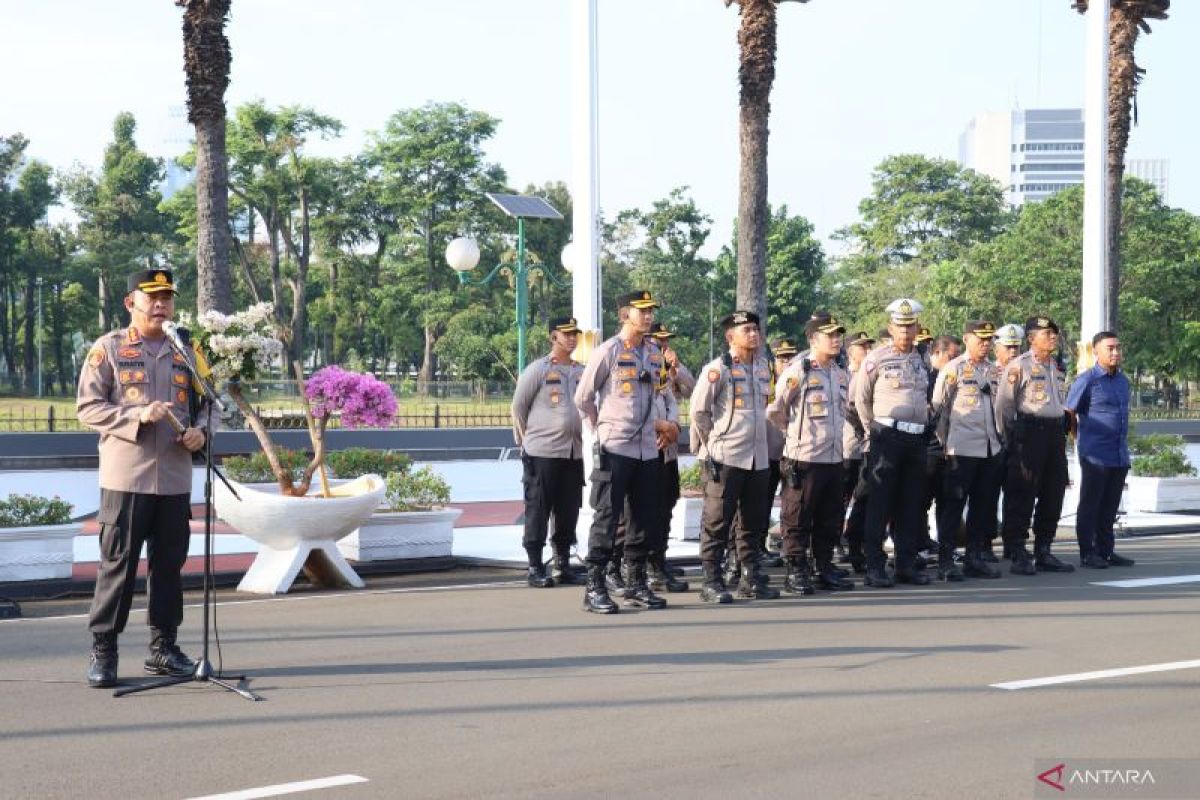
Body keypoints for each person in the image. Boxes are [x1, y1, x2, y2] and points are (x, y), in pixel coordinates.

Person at [77, 268, 208, 688]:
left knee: (169, 568)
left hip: (174, 478)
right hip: (126, 479)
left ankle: (164, 649)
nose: (160, 304)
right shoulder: (109, 349)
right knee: (118, 565)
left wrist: (201, 432)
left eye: (166, 296)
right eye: (151, 297)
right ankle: (104, 650)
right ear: (129, 302)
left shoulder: (188, 350)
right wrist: (137, 415)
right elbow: (89, 407)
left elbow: (211, 404)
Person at [575, 290, 670, 613]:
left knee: (642, 518)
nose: (647, 315)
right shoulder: (608, 351)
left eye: (650, 310)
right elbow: (583, 398)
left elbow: (660, 393)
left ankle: (636, 583)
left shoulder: (654, 352)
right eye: (641, 310)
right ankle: (595, 586)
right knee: (606, 517)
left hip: (646, 450)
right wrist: (600, 430)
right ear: (624, 314)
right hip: (615, 447)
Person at [690, 310, 780, 602]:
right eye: (746, 330)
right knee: (717, 521)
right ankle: (712, 580)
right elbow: (698, 412)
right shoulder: (718, 369)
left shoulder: (765, 367)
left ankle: (751, 577)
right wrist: (711, 446)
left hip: (758, 456)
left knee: (753, 522)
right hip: (726, 456)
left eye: (755, 329)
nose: (753, 334)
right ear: (731, 337)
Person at [768, 315, 854, 594]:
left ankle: (823, 567)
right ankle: (796, 570)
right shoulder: (799, 371)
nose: (836, 339)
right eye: (829, 335)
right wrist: (793, 435)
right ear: (813, 339)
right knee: (798, 517)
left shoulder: (840, 374)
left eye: (838, 334)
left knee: (830, 516)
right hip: (804, 456)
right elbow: (775, 409)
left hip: (833, 456)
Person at [852, 298, 932, 588]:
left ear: (917, 328)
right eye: (900, 325)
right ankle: (875, 565)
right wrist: (871, 431)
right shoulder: (876, 358)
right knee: (880, 503)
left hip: (916, 437)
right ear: (890, 327)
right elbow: (860, 399)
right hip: (886, 435)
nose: (906, 331)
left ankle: (905, 564)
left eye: (910, 326)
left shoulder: (922, 358)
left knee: (911, 504)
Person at [994, 316, 1075, 575]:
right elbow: (1004, 406)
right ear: (1031, 338)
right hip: (1028, 434)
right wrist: (1011, 438)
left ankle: (1044, 550)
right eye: (1046, 333)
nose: (1052, 337)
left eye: (1054, 333)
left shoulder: (1056, 366)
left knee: (1054, 492)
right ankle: (1017, 550)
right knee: (1022, 494)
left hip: (1053, 435)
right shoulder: (1019, 366)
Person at [511, 316, 586, 588]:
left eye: (574, 334)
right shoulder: (538, 369)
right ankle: (534, 566)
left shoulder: (580, 371)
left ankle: (562, 564)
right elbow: (519, 408)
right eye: (565, 334)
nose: (571, 338)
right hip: (542, 452)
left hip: (572, 453)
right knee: (538, 509)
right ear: (552, 337)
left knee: (568, 510)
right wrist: (526, 443)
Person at [930, 321, 1004, 581]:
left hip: (989, 448)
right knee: (953, 506)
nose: (985, 345)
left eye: (989, 340)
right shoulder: (954, 369)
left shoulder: (995, 370)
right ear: (966, 339)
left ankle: (974, 558)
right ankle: (946, 561)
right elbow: (939, 411)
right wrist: (947, 444)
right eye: (980, 339)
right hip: (960, 449)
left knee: (983, 508)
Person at [1067, 332, 1136, 569]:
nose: (1115, 352)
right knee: (1091, 505)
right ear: (1096, 352)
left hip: (1118, 454)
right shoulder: (1087, 380)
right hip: (1095, 454)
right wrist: (1080, 439)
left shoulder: (1122, 381)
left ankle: (1106, 551)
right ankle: (1088, 552)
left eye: (1118, 347)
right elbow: (1070, 413)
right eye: (1110, 348)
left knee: (1110, 506)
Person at [921, 335, 962, 558]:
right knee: (921, 501)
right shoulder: (924, 375)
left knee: (947, 500)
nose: (955, 360)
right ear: (936, 353)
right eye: (951, 356)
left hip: (949, 446)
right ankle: (920, 544)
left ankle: (945, 547)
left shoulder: (956, 374)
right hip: (928, 447)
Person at [842, 331, 875, 574]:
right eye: (861, 346)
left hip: (864, 448)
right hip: (848, 447)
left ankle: (857, 544)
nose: (866, 349)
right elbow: (850, 410)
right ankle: (841, 542)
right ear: (850, 351)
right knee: (840, 500)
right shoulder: (846, 375)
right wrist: (866, 428)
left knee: (864, 497)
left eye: (868, 346)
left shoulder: (871, 371)